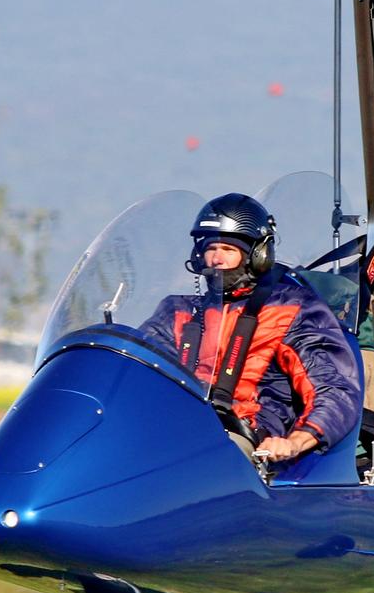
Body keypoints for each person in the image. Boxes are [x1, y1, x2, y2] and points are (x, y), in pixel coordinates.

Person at [141, 193, 361, 464]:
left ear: (257, 256)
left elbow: (333, 389)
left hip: (242, 440)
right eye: (210, 249)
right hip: (171, 433)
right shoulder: (177, 312)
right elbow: (138, 374)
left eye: (228, 250)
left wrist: (295, 441)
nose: (217, 259)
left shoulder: (291, 309)